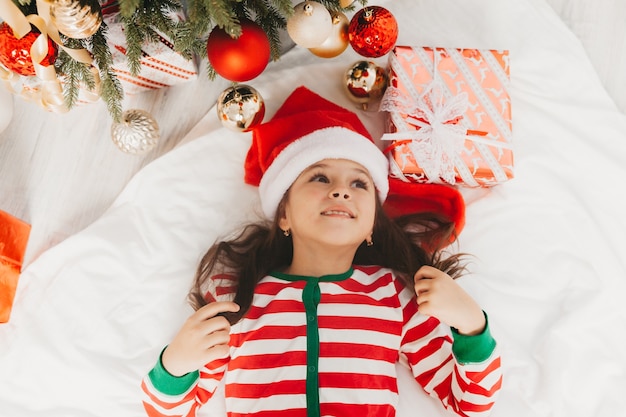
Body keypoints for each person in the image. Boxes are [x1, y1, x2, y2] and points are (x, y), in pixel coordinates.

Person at [141, 86, 502, 417]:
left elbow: (469, 401)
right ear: (284, 214)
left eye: (359, 183)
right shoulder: (238, 296)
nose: (341, 191)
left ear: (372, 226)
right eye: (320, 177)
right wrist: (175, 364)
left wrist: (472, 326)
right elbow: (166, 411)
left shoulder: (392, 294)